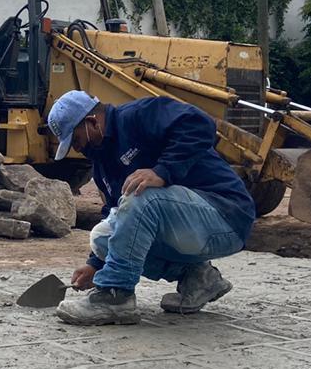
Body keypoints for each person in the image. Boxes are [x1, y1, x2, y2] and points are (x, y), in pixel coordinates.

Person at [45, 90, 256, 326]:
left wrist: (163, 171)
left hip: (225, 214)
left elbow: (200, 123)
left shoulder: (138, 116)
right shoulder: (103, 163)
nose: (78, 148)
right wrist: (95, 264)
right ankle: (198, 277)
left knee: (142, 196)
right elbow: (118, 215)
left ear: (92, 122)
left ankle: (116, 296)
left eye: (76, 140)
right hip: (190, 227)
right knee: (103, 236)